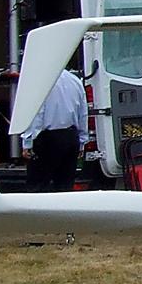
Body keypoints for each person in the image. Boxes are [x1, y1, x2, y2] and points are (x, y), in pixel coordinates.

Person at [21, 60, 89, 193]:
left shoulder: (41, 82)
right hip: (70, 136)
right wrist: (82, 141)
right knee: (65, 186)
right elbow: (83, 113)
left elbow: (37, 114)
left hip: (47, 138)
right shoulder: (75, 81)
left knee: (38, 186)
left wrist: (28, 141)